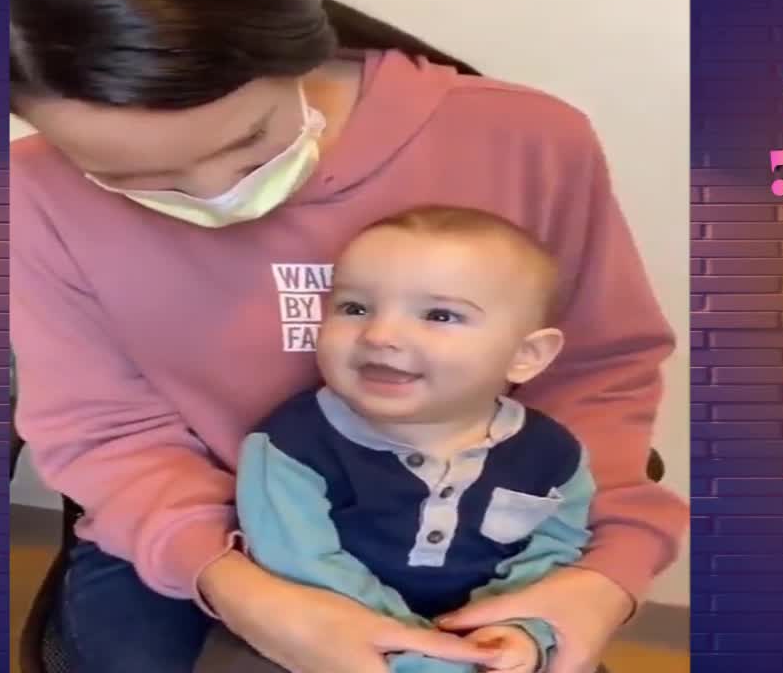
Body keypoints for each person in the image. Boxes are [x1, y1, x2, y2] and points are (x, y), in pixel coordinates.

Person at [9, 0, 689, 672]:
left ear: (297, 47)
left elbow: (596, 376)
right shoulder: (34, 199)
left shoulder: (527, 140)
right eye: (132, 179)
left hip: (469, 503)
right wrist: (242, 588)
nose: (214, 199)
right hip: (195, 517)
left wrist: (603, 576)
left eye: (246, 144)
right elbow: (105, 432)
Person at [227, 206, 596, 673]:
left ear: (526, 355)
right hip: (319, 643)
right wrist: (422, 655)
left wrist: (523, 632)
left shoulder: (554, 455)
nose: (380, 334)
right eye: (354, 308)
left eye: (440, 315)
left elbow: (555, 553)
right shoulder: (291, 445)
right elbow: (304, 568)